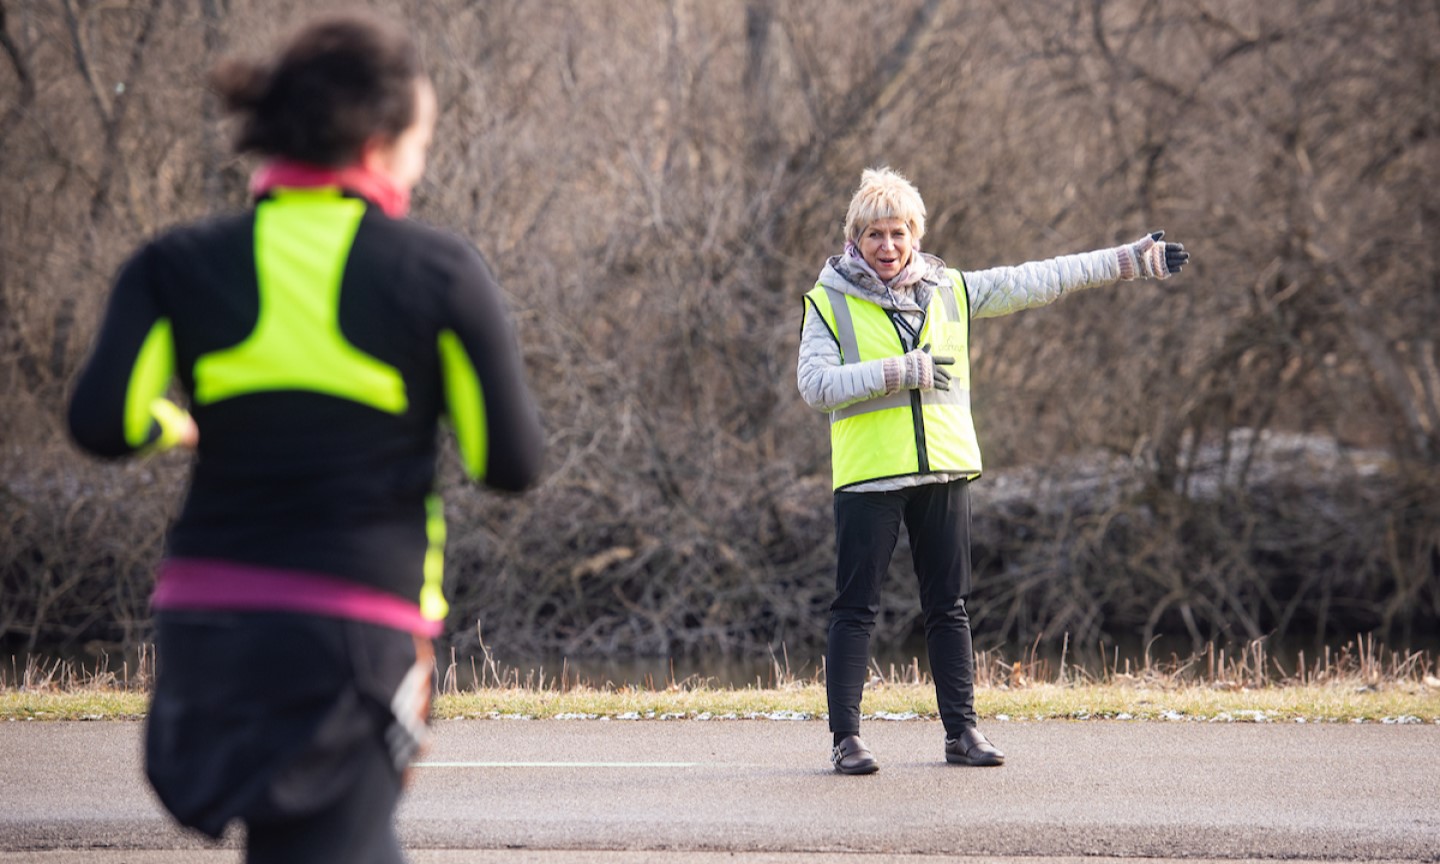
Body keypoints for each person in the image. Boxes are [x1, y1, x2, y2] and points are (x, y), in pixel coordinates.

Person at [67, 14, 543, 862]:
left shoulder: (173, 261)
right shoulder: (437, 271)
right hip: (350, 635)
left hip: (205, 630)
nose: (423, 159)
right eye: (420, 138)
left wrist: (175, 424)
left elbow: (102, 424)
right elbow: (507, 462)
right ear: (376, 143)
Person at [798, 167, 1188, 774]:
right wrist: (898, 372)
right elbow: (815, 386)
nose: (887, 245)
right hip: (870, 478)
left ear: (915, 234)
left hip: (945, 473)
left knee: (948, 607)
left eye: (897, 232)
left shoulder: (952, 289)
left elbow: (1039, 279)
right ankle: (846, 740)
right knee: (856, 609)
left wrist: (1127, 261)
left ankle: (962, 734)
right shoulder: (828, 301)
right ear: (854, 238)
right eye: (874, 233)